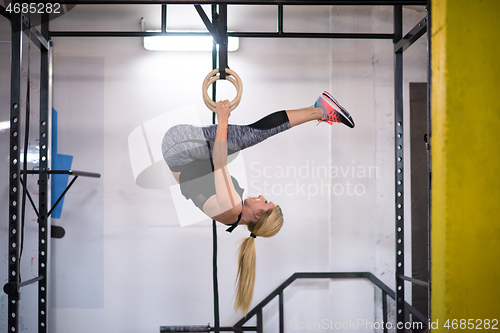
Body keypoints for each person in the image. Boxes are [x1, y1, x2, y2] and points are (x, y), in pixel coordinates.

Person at [162, 91, 355, 314]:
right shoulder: (231, 217)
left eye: (265, 202)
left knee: (249, 135)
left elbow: (219, 159)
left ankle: (321, 109)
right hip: (182, 153)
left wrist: (222, 118)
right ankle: (318, 110)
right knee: (247, 137)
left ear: (257, 216)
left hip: (179, 147)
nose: (261, 196)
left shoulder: (232, 205)